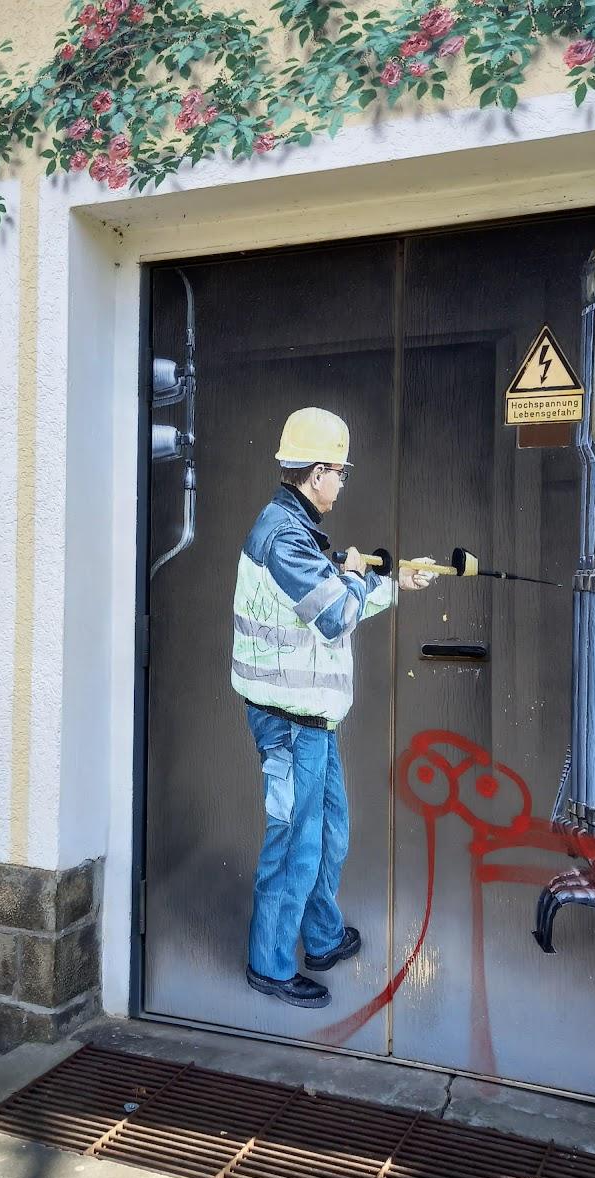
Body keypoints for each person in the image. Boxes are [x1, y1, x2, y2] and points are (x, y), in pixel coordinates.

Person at [230, 407, 434, 1009]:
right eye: (340, 472)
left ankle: (319, 937)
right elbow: (336, 614)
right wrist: (355, 576)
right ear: (317, 472)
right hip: (288, 725)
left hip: (313, 723)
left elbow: (338, 595)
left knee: (329, 835)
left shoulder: (298, 529)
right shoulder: (284, 539)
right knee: (294, 843)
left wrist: (396, 583)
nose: (343, 482)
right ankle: (269, 964)